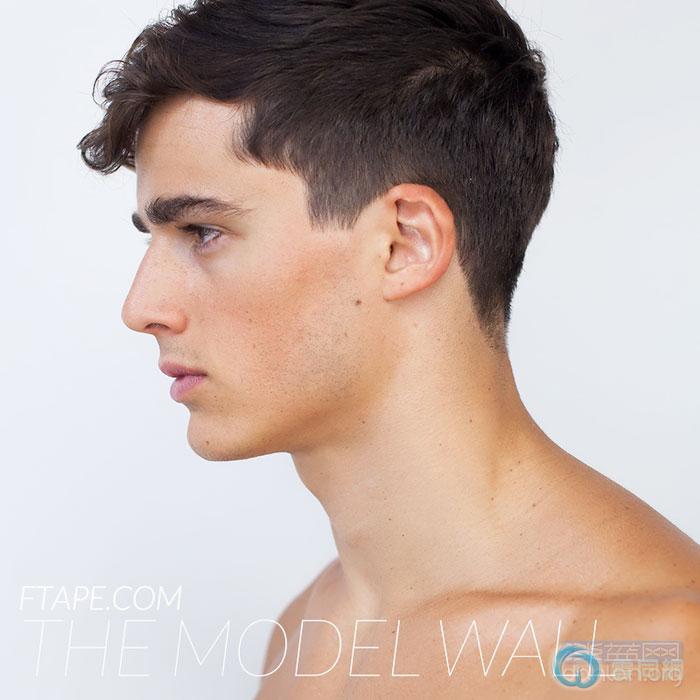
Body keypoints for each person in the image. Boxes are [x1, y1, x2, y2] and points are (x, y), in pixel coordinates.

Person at [77, 0, 700, 696]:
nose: (142, 308)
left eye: (203, 232)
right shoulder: (308, 635)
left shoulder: (653, 659)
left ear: (405, 243)